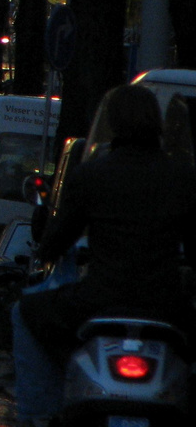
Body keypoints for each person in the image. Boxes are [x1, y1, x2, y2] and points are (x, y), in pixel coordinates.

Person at [11, 85, 196, 427]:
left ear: (113, 123)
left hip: (99, 300)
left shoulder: (91, 175)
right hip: (166, 305)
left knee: (23, 315)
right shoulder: (183, 178)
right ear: (157, 122)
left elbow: (56, 240)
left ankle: (38, 412)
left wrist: (46, 251)